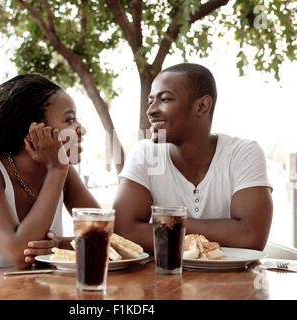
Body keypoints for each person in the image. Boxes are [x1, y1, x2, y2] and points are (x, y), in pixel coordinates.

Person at [0, 74, 99, 284]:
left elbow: (108, 235)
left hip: (35, 286)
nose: (81, 129)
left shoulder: (64, 171)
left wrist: (59, 245)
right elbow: (20, 255)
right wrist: (56, 170)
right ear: (33, 132)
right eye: (69, 120)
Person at [113, 63, 273, 254]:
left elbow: (251, 237)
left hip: (233, 282)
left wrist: (164, 228)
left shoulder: (243, 153)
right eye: (150, 101)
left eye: (164, 99)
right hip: (163, 280)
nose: (151, 110)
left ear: (202, 106)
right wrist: (226, 231)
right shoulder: (144, 154)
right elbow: (123, 232)